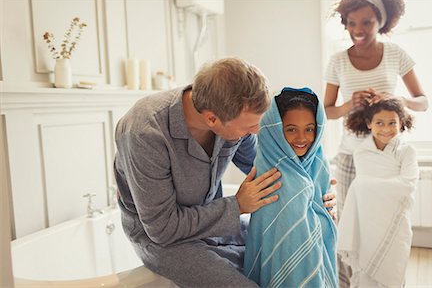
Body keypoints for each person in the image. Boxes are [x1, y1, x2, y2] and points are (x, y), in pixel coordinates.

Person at [114, 58, 336, 287]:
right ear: (212, 118)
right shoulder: (144, 132)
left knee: (295, 239)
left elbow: (268, 168)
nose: (256, 131)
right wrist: (238, 205)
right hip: (163, 239)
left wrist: (313, 188)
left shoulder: (231, 116)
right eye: (248, 127)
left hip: (212, 221)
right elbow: (162, 229)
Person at [323, 0, 428, 286]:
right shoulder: (337, 61)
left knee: (389, 226)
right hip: (349, 157)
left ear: (381, 22)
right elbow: (327, 111)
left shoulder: (395, 53)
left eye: (367, 22)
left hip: (388, 158)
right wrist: (349, 105)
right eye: (352, 23)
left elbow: (423, 102)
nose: (359, 29)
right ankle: (347, 284)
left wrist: (396, 99)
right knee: (348, 226)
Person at [244, 87, 337, 288]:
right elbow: (269, 225)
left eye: (309, 129)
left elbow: (325, 208)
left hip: (318, 259)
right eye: (291, 129)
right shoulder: (267, 168)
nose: (301, 138)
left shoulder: (319, 163)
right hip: (279, 259)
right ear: (277, 130)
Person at [338, 97, 418, 287]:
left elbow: (408, 184)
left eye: (392, 123)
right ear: (369, 124)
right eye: (379, 123)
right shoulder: (361, 152)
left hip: (397, 220)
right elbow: (364, 189)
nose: (386, 128)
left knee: (393, 270)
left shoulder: (407, 151)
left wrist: (364, 186)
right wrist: (364, 186)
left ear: (401, 122)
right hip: (368, 221)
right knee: (365, 270)